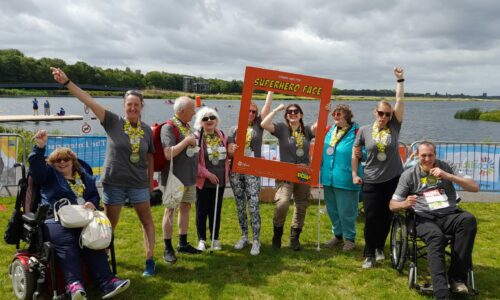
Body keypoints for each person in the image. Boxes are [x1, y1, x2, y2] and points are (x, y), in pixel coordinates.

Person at [51, 67, 157, 277]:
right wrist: (67, 82)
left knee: (146, 221)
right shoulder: (113, 122)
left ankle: (150, 260)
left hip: (138, 184)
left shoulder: (146, 130)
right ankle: (103, 261)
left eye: (137, 105)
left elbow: (150, 156)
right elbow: (89, 101)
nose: (133, 108)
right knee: (108, 225)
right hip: (114, 184)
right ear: (124, 106)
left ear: (141, 107)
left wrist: (150, 181)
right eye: (129, 105)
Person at [29, 129, 130, 300]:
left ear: (73, 161)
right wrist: (39, 148)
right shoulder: (48, 175)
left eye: (65, 159)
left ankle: (107, 282)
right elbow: (36, 169)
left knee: (90, 238)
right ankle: (74, 285)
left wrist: (92, 203)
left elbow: (93, 196)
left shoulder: (85, 177)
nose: (61, 162)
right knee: (67, 239)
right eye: (57, 160)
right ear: (52, 164)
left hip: (83, 218)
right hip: (55, 219)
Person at [389, 141, 478, 300]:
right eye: (423, 155)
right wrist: (404, 203)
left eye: (430, 155)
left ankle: (457, 279)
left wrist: (448, 176)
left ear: (435, 155)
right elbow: (392, 205)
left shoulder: (447, 166)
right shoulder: (409, 175)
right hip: (423, 217)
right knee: (436, 237)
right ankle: (442, 293)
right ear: (417, 155)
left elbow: (474, 187)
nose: (427, 159)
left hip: (449, 214)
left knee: (468, 220)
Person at [352, 67, 405, 268]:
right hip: (372, 181)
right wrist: (355, 173)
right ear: (375, 112)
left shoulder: (394, 127)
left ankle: (380, 248)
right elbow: (355, 153)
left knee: (387, 216)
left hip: (393, 180)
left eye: (387, 114)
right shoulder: (364, 131)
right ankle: (369, 253)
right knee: (371, 218)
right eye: (380, 113)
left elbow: (400, 101)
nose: (383, 117)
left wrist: (400, 80)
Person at [261, 100, 318, 251]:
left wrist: (326, 108)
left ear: (301, 115)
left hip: (303, 172)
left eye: (296, 111)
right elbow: (264, 124)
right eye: (290, 112)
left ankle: (295, 238)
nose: (292, 113)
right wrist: (276, 110)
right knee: (283, 203)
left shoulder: (307, 130)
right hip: (285, 171)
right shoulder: (281, 128)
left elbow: (321, 123)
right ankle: (277, 234)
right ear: (286, 116)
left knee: (301, 204)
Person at [227, 91, 272, 256]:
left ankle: (256, 240)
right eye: (249, 110)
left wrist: (271, 90)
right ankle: (244, 236)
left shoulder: (258, 126)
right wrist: (232, 149)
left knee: (253, 206)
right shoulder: (234, 128)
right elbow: (229, 149)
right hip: (236, 171)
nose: (252, 114)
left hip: (252, 171)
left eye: (254, 111)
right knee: (240, 205)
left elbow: (266, 108)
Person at [160, 96, 202, 264]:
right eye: (192, 109)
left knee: (186, 208)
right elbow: (168, 153)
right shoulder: (168, 127)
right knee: (170, 211)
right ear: (181, 111)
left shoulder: (186, 126)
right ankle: (167, 247)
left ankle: (182, 243)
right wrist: (187, 141)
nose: (194, 112)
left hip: (189, 177)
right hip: (174, 179)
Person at [321, 104, 364, 252]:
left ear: (347, 116)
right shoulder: (329, 130)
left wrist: (362, 153)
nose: (335, 117)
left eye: (338, 114)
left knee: (347, 211)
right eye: (334, 115)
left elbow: (364, 150)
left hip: (346, 179)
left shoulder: (357, 131)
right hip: (328, 178)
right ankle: (337, 236)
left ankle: (350, 239)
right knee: (332, 210)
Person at [194, 107, 229, 251]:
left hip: (219, 182)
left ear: (217, 120)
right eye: (205, 118)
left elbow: (227, 156)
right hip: (203, 182)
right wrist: (208, 174)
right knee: (202, 211)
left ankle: (215, 238)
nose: (209, 121)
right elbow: (193, 163)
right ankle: (201, 239)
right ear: (200, 122)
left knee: (216, 210)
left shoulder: (221, 135)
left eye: (212, 117)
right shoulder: (197, 137)